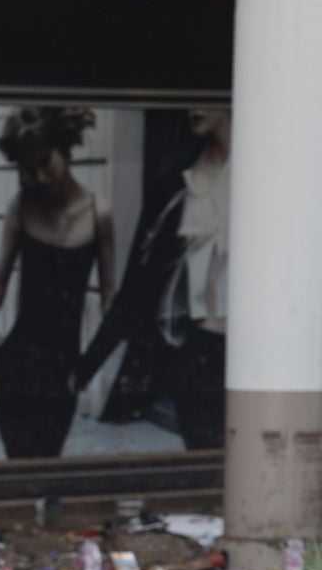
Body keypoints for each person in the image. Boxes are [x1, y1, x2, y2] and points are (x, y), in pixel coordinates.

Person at [75, 107, 229, 449]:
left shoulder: (273, 172)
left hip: (262, 355)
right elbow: (137, 284)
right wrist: (86, 367)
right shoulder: (176, 178)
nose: (193, 105)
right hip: (197, 352)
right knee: (205, 470)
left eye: (204, 91)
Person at [0, 107, 116, 459]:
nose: (40, 177)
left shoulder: (100, 213)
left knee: (48, 465)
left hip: (63, 372)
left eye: (43, 162)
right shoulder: (21, 208)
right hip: (16, 366)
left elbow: (111, 299)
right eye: (28, 169)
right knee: (18, 467)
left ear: (63, 147)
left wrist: (87, 369)